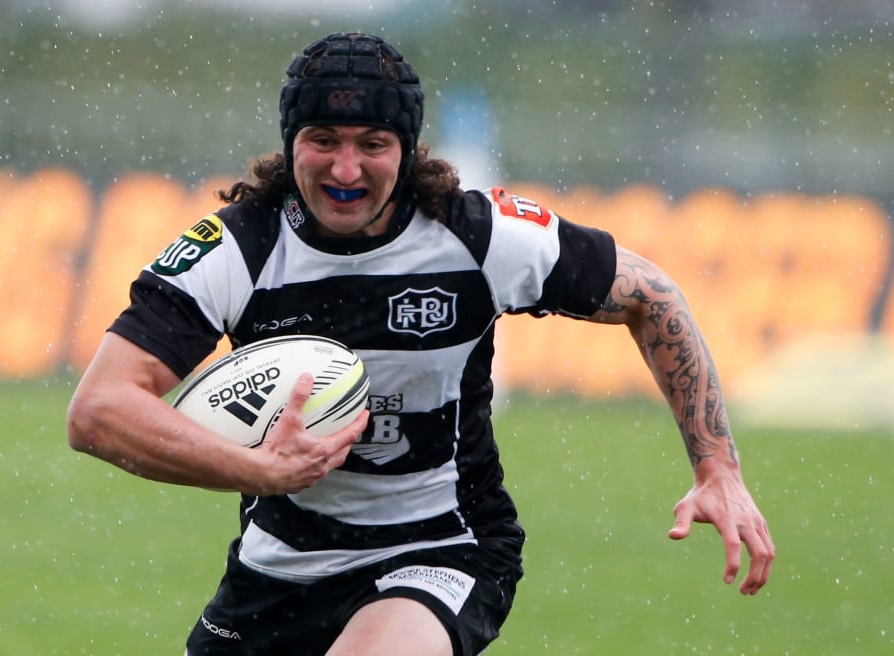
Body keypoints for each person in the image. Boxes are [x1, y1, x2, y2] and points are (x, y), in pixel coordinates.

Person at [66, 32, 774, 656]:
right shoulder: (237, 249)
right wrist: (253, 469)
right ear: (291, 145)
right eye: (323, 141)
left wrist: (719, 468)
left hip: (443, 545)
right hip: (277, 566)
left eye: (372, 145)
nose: (346, 170)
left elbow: (651, 297)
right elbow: (98, 411)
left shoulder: (478, 238)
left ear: (406, 150)